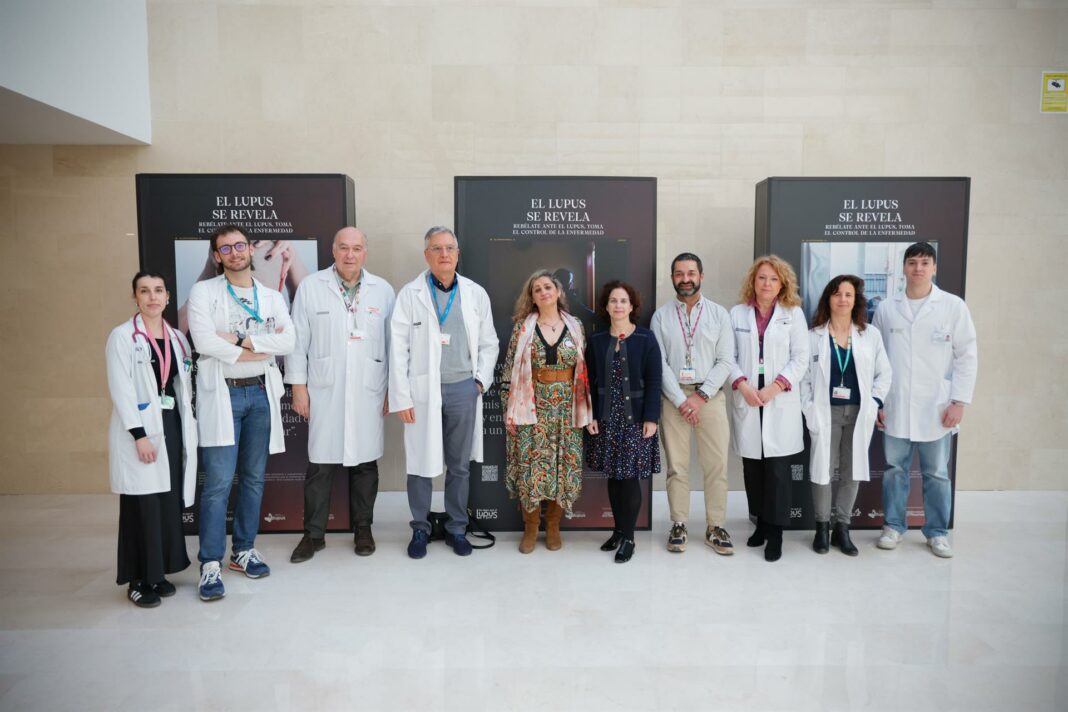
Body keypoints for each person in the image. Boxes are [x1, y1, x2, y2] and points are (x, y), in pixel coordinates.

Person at [187, 224, 295, 600]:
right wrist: (258, 349)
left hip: (260, 396)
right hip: (224, 395)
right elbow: (203, 341)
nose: (234, 252)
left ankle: (244, 551)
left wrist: (237, 339)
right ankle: (210, 563)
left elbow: (288, 340)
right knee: (218, 483)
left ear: (250, 249)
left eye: (239, 245)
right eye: (225, 248)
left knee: (253, 478)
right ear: (217, 257)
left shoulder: (270, 296)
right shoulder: (204, 292)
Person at [285, 227, 395, 562]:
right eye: (344, 248)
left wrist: (392, 390)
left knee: (365, 464)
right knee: (320, 464)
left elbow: (393, 345)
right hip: (325, 389)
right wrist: (298, 387)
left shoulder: (382, 290)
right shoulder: (311, 287)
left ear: (365, 252)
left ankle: (363, 529)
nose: (350, 254)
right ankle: (313, 535)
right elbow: (297, 341)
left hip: (368, 389)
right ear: (333, 251)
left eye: (356, 248)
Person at [389, 226, 499, 559]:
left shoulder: (475, 293)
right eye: (436, 248)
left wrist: (478, 382)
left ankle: (456, 528)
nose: (444, 254)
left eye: (450, 248)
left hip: (463, 388)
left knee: (459, 465)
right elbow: (397, 348)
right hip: (422, 390)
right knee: (420, 462)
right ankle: (420, 528)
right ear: (427, 255)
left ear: (458, 253)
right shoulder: (410, 294)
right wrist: (401, 396)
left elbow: (489, 343)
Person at [872, 241, 977, 558]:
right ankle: (893, 526)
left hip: (937, 407)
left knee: (937, 473)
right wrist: (878, 402)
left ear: (934, 268)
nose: (918, 268)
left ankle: (937, 532)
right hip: (896, 404)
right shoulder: (887, 308)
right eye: (912, 262)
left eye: (925, 262)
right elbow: (876, 358)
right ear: (904, 267)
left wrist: (959, 401)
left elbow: (967, 355)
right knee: (894, 470)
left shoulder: (953, 306)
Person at [105, 272, 198, 607]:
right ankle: (137, 580)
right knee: (141, 505)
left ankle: (157, 575)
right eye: (144, 291)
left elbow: (181, 384)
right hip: (140, 430)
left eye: (158, 290)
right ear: (135, 297)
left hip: (170, 425)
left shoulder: (177, 338)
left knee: (165, 502)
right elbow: (121, 389)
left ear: (168, 297)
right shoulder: (122, 337)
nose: (152, 297)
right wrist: (139, 435)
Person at [650, 253, 736, 556]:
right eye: (679, 274)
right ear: (672, 278)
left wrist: (700, 397)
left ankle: (716, 527)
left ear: (701, 275)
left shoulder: (719, 315)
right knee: (677, 467)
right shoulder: (661, 317)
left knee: (716, 466)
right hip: (673, 398)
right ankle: (679, 524)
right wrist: (680, 400)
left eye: (690, 273)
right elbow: (659, 363)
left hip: (709, 397)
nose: (685, 279)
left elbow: (726, 360)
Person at [501, 270, 592, 553]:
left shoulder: (575, 325)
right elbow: (509, 370)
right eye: (537, 289)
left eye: (548, 287)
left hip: (567, 407)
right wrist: (508, 409)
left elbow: (583, 370)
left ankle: (553, 525)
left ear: (558, 291)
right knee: (531, 466)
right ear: (532, 297)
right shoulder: (522, 328)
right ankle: (530, 527)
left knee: (562, 466)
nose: (543, 292)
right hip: (531, 405)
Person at [800, 275, 891, 556]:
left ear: (856, 300)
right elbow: (803, 378)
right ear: (828, 298)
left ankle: (842, 528)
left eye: (848, 294)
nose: (842, 299)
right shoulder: (813, 336)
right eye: (837, 294)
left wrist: (874, 402)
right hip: (825, 412)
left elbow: (884, 373)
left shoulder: (870, 335)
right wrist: (809, 408)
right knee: (823, 471)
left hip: (858, 412)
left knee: (852, 472)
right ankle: (822, 528)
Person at [728, 255, 809, 562]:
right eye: (762, 277)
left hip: (778, 397)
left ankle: (775, 533)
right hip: (749, 396)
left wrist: (775, 387)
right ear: (753, 280)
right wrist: (743, 385)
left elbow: (801, 358)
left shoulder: (793, 313)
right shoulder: (737, 313)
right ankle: (760, 523)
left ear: (782, 284)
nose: (767, 283)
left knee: (777, 471)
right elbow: (728, 356)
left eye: (774, 279)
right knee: (753, 470)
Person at [584, 281, 662, 564]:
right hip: (607, 418)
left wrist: (651, 417)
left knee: (628, 479)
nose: (618, 305)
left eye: (623, 301)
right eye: (613, 301)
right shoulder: (596, 340)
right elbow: (589, 382)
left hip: (635, 420)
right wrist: (591, 415)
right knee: (614, 478)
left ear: (632, 307)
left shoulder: (645, 338)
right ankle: (617, 531)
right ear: (606, 307)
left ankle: (629, 538)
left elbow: (654, 380)